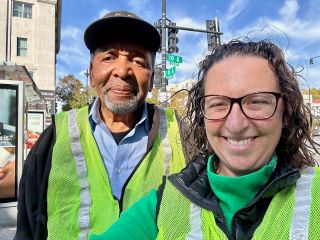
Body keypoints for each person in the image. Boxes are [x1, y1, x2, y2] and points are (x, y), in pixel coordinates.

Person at [90, 39, 320, 240]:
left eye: (257, 101)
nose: (236, 124)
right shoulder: (163, 203)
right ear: (203, 116)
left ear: (285, 111)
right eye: (218, 104)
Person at [14, 11, 187, 240]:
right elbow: (27, 229)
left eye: (137, 60)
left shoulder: (182, 135)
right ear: (91, 74)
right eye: (109, 57)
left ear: (152, 78)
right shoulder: (54, 139)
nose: (123, 70)